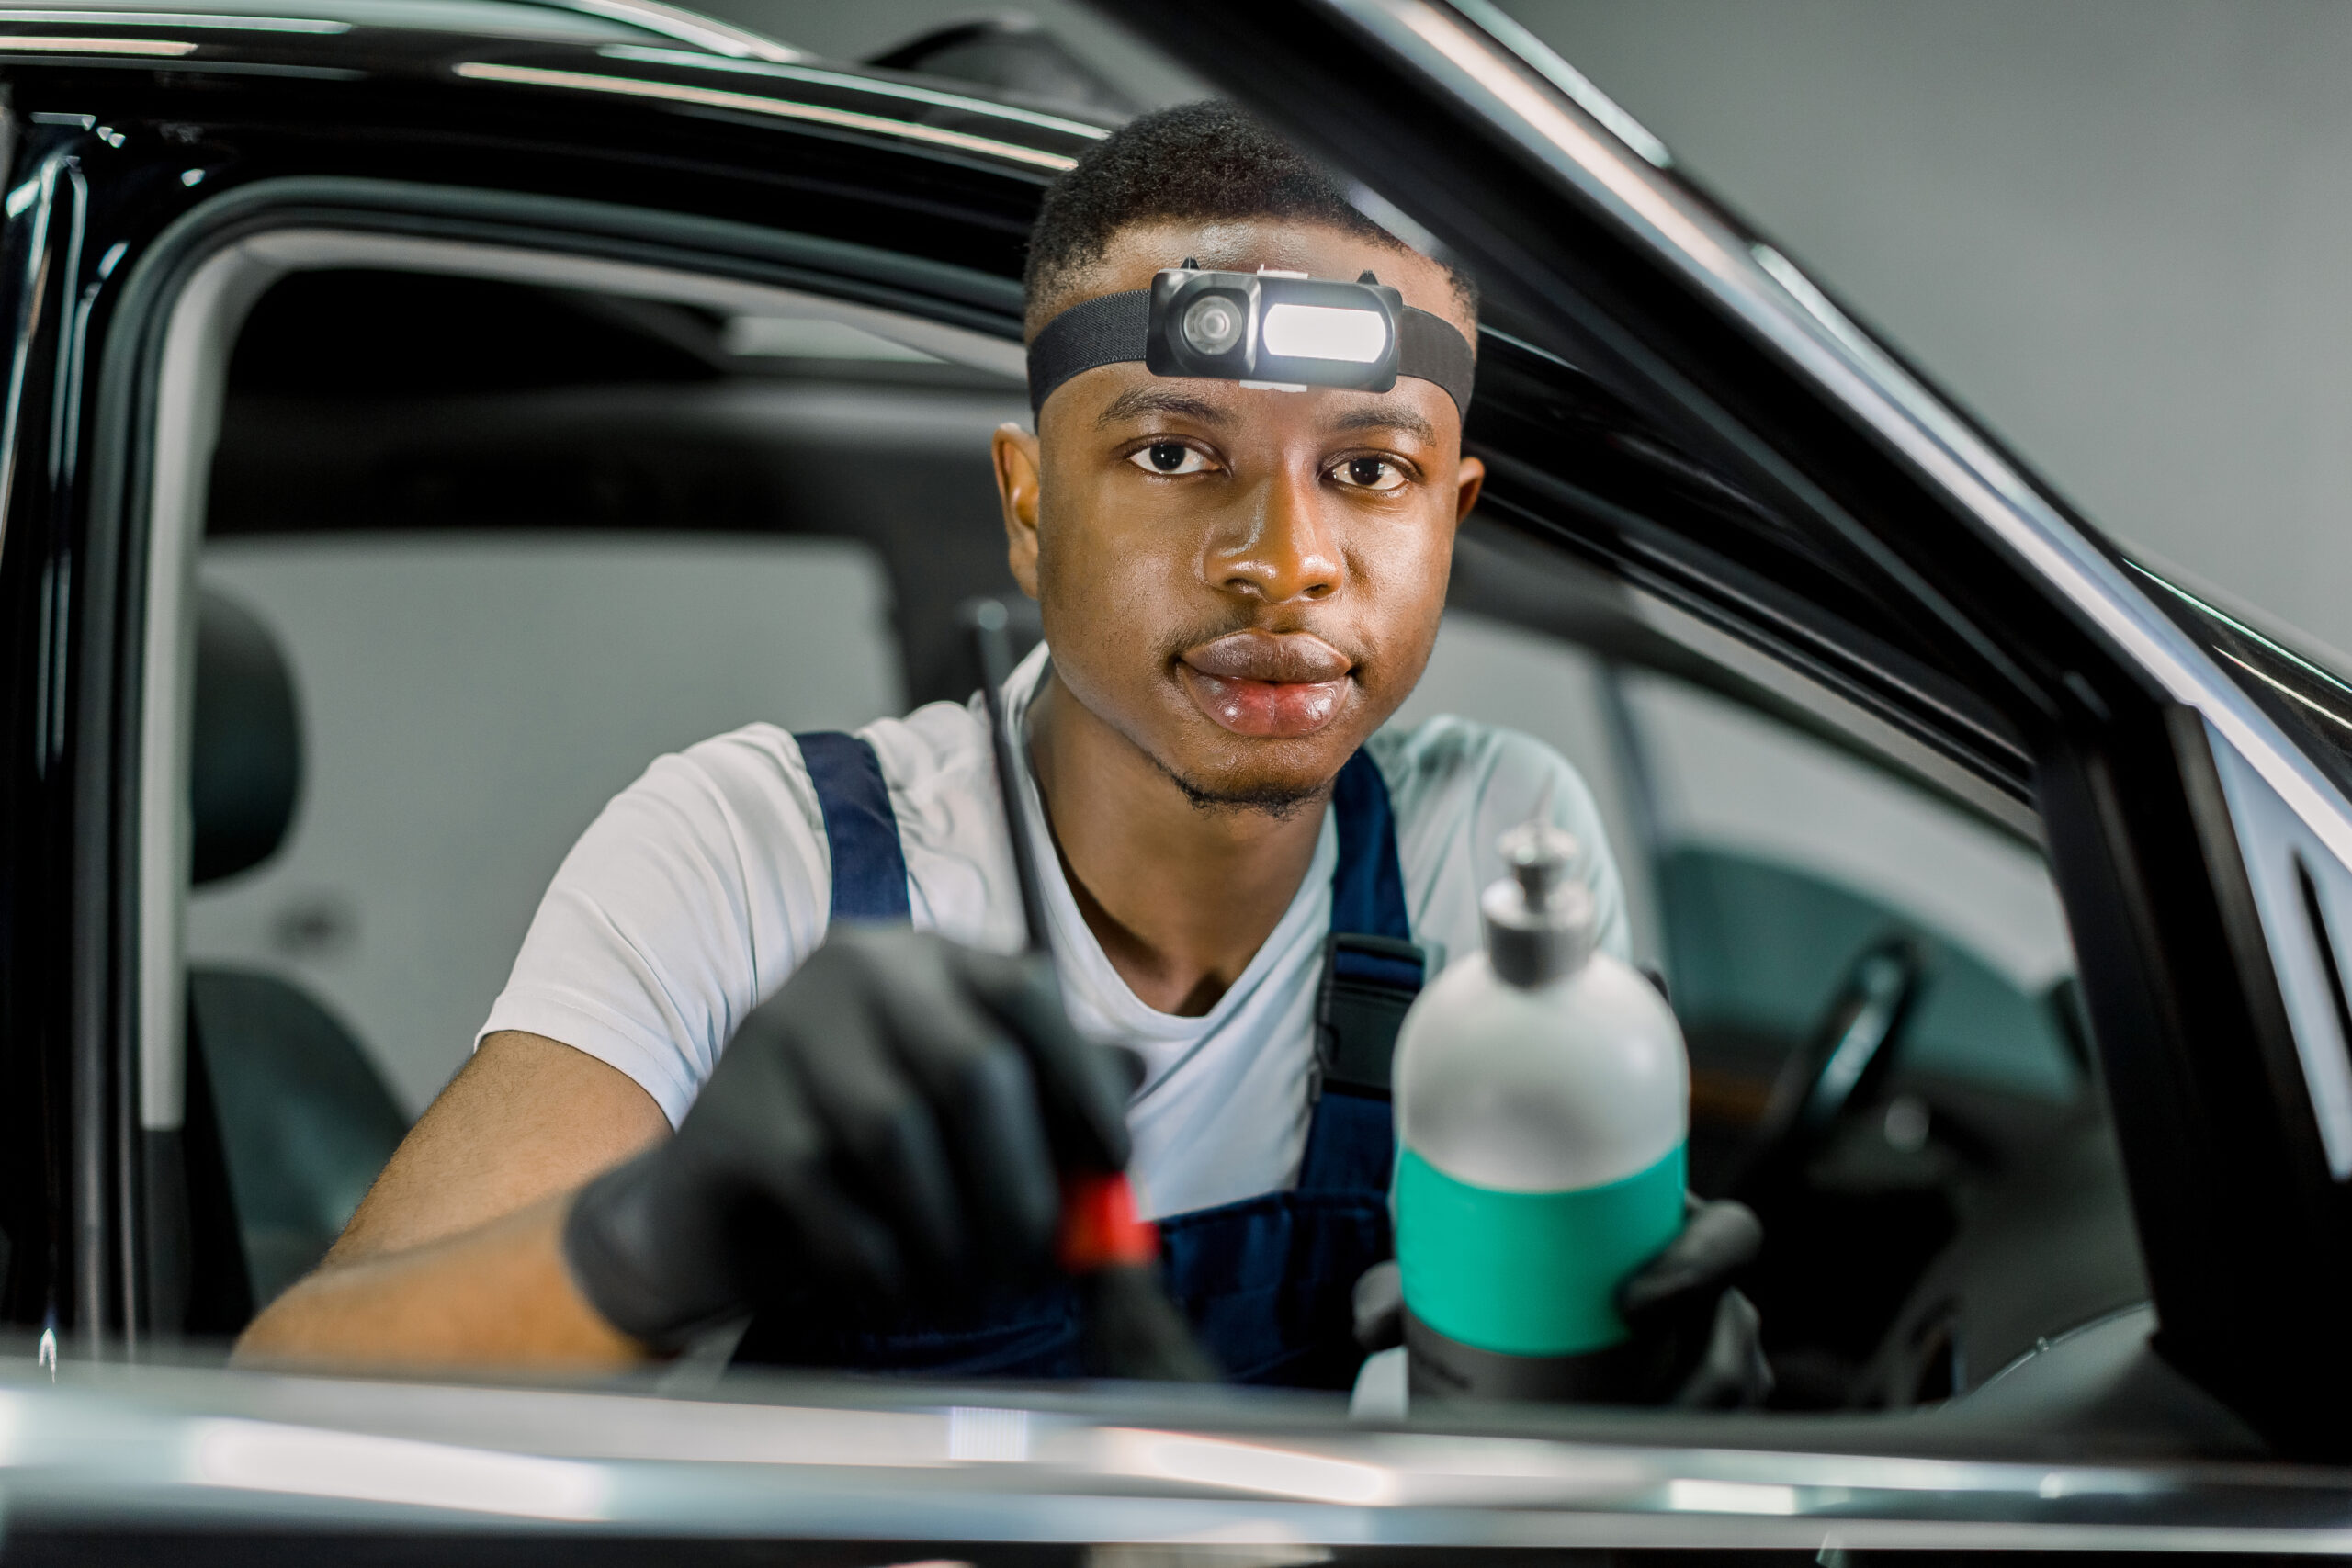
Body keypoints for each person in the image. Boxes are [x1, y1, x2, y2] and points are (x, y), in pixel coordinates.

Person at [238, 103, 1763, 1399]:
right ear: (1029, 508)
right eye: (1175, 455)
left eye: (1370, 470)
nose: (1282, 560)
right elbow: (286, 1414)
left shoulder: (1487, 851)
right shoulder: (752, 854)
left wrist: (1612, 1397)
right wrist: (667, 1232)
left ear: (1454, 519)